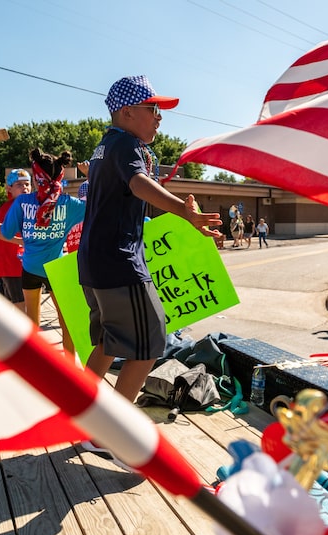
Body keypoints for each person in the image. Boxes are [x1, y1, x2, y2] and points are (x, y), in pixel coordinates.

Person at [78, 75, 221, 411]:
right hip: (119, 262)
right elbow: (139, 184)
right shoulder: (126, 145)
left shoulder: (105, 146)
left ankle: (77, 409)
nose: (159, 117)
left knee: (107, 341)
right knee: (151, 343)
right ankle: (112, 434)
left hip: (94, 261)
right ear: (127, 112)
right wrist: (184, 213)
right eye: (153, 108)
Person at [0, 149, 85, 359]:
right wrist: (90, 176)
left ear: (36, 178)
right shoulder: (69, 204)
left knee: (32, 323)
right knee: (66, 321)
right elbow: (98, 207)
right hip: (57, 269)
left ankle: (36, 364)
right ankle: (70, 366)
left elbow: (4, 234)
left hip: (30, 268)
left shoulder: (22, 203)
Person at [0, 169, 30, 312]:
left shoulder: (31, 205)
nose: (24, 188)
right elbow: (1, 234)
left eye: (27, 184)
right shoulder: (7, 208)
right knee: (20, 304)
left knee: (19, 304)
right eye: (19, 185)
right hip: (11, 264)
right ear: (9, 189)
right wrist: (26, 242)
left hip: (25, 263)